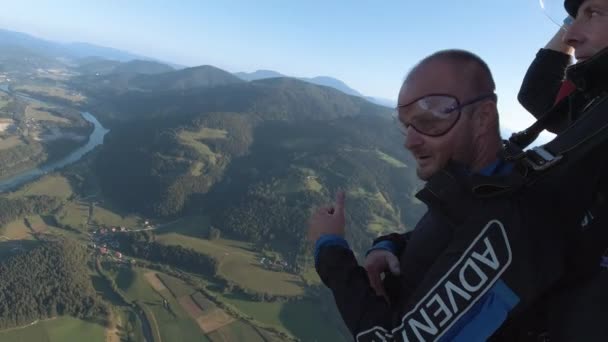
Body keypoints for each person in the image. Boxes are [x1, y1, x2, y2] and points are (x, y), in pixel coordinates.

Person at [309, 49, 557, 341]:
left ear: (483, 117)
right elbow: (446, 239)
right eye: (406, 125)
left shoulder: (502, 226)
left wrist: (330, 248)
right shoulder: (481, 190)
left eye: (429, 120)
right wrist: (388, 246)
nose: (411, 141)